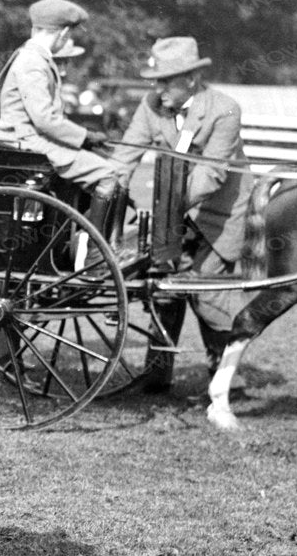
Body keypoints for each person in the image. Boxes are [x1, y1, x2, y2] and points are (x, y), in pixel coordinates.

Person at [108, 36, 252, 391]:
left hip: (220, 213)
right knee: (164, 284)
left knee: (206, 288)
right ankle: (157, 377)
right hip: (174, 212)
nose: (158, 89)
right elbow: (127, 154)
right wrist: (106, 190)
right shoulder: (152, 105)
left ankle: (223, 380)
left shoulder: (224, 110)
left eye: (166, 81)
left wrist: (166, 212)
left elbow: (211, 175)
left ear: (191, 79)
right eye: (155, 80)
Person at [0, 0, 122, 205]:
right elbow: (45, 119)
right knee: (109, 173)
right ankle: (93, 238)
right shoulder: (33, 62)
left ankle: (74, 227)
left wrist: (83, 139)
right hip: (29, 143)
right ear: (63, 33)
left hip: (32, 140)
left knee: (98, 165)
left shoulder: (34, 58)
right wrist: (85, 136)